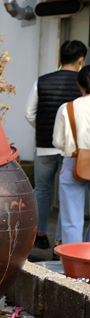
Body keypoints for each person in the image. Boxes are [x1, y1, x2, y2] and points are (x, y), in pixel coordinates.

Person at [25, 40, 86, 248]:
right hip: (72, 150)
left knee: (41, 190)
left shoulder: (41, 81)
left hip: (44, 145)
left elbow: (29, 113)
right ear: (81, 60)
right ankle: (61, 242)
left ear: (59, 60)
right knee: (67, 196)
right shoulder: (83, 84)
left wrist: (43, 130)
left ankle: (39, 235)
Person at [52, 64, 90, 245]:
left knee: (71, 217)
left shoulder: (66, 108)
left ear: (78, 84)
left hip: (73, 160)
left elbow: (57, 142)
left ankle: (73, 263)